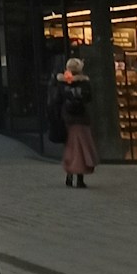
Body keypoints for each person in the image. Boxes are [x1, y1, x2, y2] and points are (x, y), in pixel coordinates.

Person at [49, 55, 97, 187]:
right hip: (81, 119)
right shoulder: (84, 83)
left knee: (70, 147)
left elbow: (56, 100)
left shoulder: (61, 83)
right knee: (81, 148)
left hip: (67, 119)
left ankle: (69, 175)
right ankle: (80, 178)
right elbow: (89, 99)